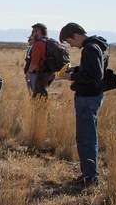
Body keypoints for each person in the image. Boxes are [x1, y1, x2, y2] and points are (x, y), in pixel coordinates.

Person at [59, 23, 110, 187]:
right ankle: (88, 174)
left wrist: (72, 77)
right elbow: (92, 70)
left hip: (87, 97)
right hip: (92, 96)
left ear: (75, 35)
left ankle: (91, 177)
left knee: (86, 138)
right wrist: (76, 70)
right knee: (86, 137)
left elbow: (94, 75)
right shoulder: (97, 45)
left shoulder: (89, 48)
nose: (72, 46)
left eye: (70, 41)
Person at [27, 23, 56, 98]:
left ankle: (40, 109)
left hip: (40, 73)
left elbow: (34, 63)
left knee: (37, 96)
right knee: (43, 93)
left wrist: (29, 73)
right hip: (50, 72)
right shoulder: (50, 42)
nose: (33, 33)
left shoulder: (38, 44)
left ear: (39, 32)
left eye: (34, 31)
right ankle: (43, 108)